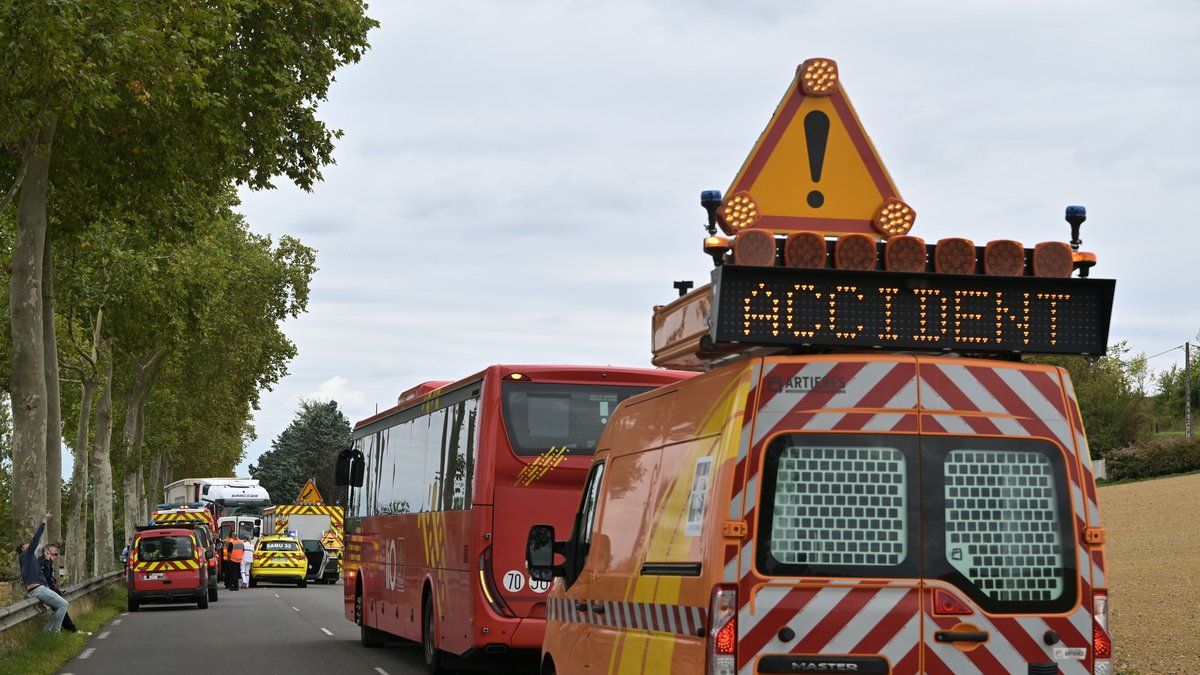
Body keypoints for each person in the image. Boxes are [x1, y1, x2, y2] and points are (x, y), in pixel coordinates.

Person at [16, 511, 68, 633]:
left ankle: (46, 632)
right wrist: (44, 521)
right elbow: (36, 539)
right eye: (27, 544)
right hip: (38, 590)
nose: (30, 544)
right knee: (63, 604)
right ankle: (56, 633)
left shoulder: (27, 560)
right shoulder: (26, 554)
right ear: (23, 548)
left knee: (58, 608)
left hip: (37, 589)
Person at [39, 544, 91, 636]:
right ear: (46, 552)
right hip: (46, 591)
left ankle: (48, 631)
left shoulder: (49, 562)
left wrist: (57, 590)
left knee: (60, 609)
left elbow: (50, 580)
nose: (55, 557)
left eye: (56, 554)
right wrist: (47, 560)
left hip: (51, 590)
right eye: (53, 554)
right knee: (62, 606)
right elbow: (45, 577)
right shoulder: (43, 561)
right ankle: (64, 631)